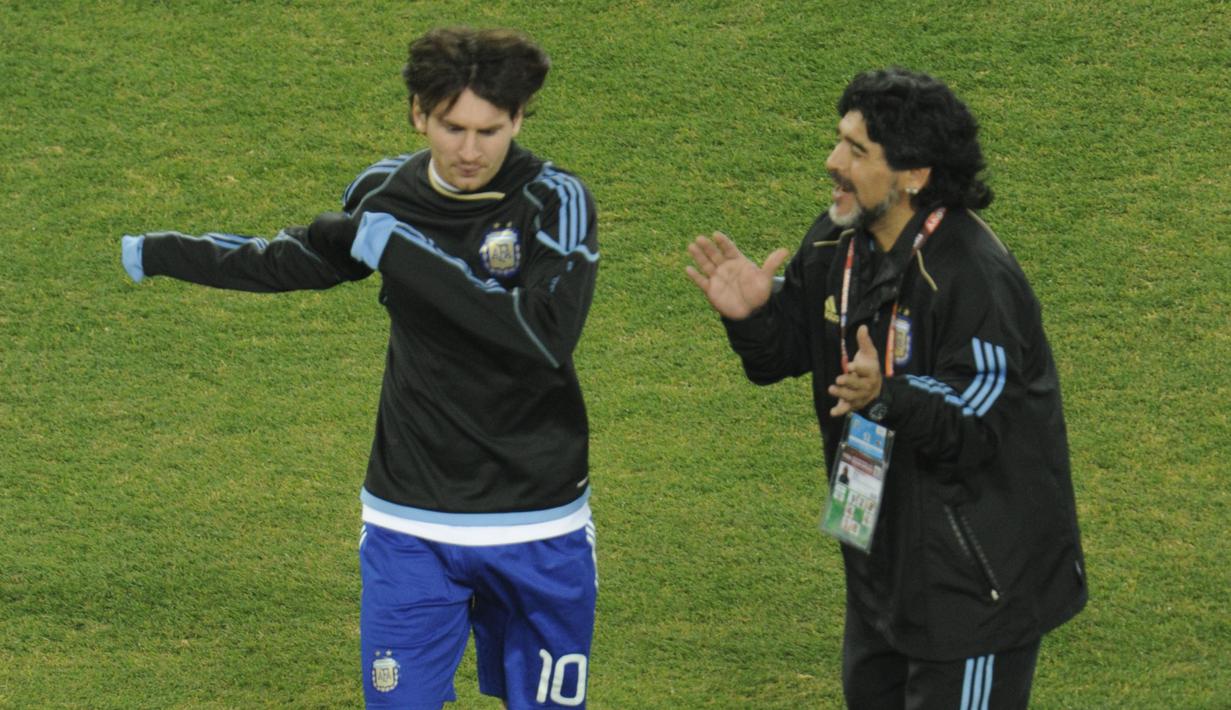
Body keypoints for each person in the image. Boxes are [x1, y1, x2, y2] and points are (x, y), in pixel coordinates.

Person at [121, 27, 600, 709]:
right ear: (417, 113)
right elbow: (287, 261)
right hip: (408, 520)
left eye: (489, 131)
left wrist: (400, 251)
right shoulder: (384, 192)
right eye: (451, 127)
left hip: (536, 521)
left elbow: (542, 334)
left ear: (518, 119)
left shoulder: (554, 200)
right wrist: (162, 252)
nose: (469, 151)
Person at [685, 67, 1086, 709]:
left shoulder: (972, 276)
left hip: (971, 584)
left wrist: (887, 396)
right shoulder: (839, 241)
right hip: (878, 556)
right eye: (839, 140)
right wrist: (756, 315)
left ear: (914, 175)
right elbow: (789, 353)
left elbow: (981, 419)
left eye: (856, 150)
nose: (832, 162)